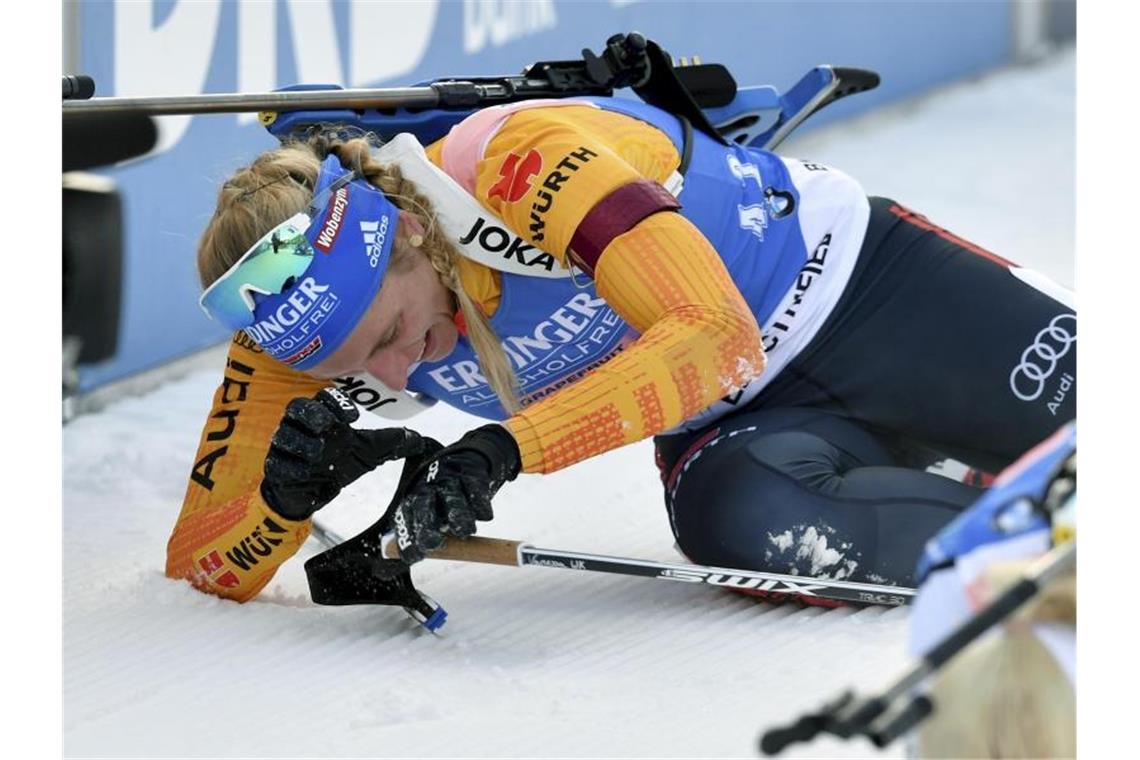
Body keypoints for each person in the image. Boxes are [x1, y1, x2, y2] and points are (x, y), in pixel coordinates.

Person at [165, 91, 1077, 602]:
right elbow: (205, 562)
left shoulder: (515, 160)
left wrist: (501, 450)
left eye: (395, 336)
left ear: (408, 229)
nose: (397, 374)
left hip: (868, 296)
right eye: (359, 370)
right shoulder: (301, 318)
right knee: (753, 534)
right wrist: (282, 503)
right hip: (741, 428)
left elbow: (717, 341)